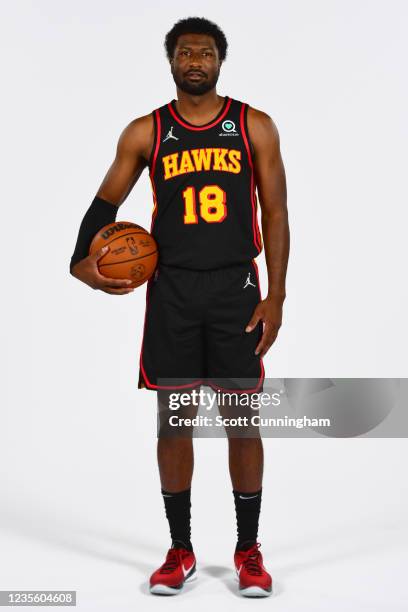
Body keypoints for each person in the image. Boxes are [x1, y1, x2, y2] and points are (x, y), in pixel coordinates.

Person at [70, 16, 289, 598]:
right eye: (186, 51)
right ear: (171, 61)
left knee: (243, 423)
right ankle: (180, 550)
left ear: (221, 60)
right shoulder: (148, 131)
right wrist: (79, 263)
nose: (196, 59)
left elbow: (276, 214)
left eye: (206, 51)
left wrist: (277, 294)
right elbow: (105, 199)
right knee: (174, 421)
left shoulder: (254, 126)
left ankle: (248, 551)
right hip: (171, 291)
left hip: (237, 290)